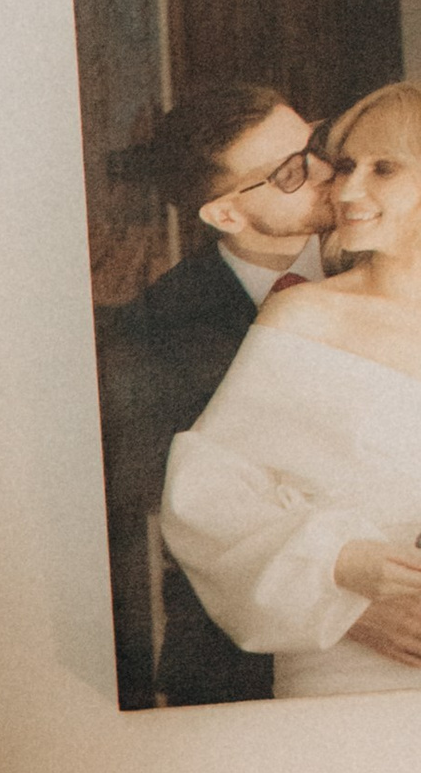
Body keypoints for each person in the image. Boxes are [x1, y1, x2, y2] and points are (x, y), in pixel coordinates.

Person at [162, 82, 421, 698]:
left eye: (382, 168)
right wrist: (339, 573)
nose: (343, 186)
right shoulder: (301, 316)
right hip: (347, 668)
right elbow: (204, 495)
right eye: (350, 163)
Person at [95, 84, 335, 707]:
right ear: (225, 214)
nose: (328, 173)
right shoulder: (155, 328)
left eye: (316, 144)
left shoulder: (383, 254)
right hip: (243, 653)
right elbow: (190, 511)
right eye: (291, 172)